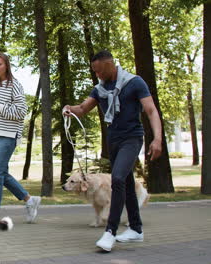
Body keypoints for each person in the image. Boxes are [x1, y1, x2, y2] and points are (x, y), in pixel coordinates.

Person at [63, 50, 162, 252]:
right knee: (125, 181)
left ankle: (110, 232)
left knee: (117, 179)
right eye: (94, 72)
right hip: (114, 140)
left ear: (109, 64)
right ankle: (135, 229)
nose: (97, 75)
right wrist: (69, 108)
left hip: (132, 138)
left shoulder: (134, 83)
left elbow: (151, 110)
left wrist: (157, 138)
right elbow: (83, 108)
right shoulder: (100, 89)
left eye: (98, 71)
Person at [0, 52, 41, 223]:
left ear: (6, 65)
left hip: (9, 135)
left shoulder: (15, 85)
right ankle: (30, 200)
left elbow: (21, 112)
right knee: (0, 173)